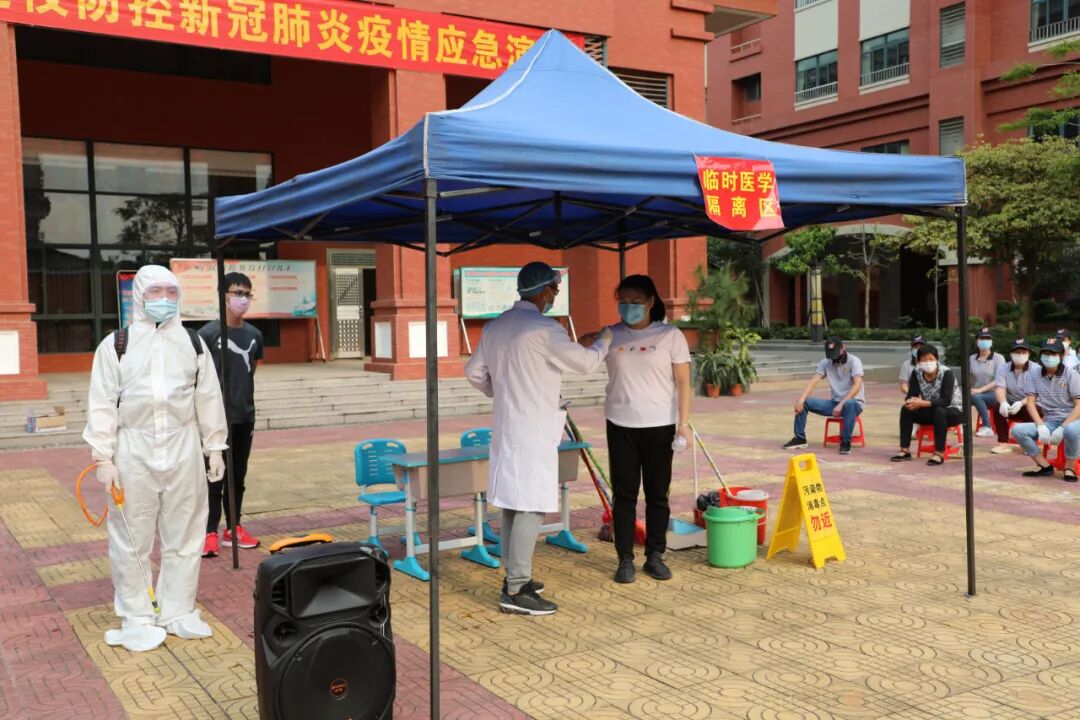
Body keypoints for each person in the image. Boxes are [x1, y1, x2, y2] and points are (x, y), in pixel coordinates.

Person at [83, 265, 228, 652]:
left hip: (183, 447)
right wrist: (103, 457)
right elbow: (101, 402)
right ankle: (137, 614)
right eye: (155, 291)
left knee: (186, 533)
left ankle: (177, 609)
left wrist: (214, 445)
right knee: (131, 536)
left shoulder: (193, 343)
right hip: (133, 450)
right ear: (139, 295)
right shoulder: (117, 345)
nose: (164, 298)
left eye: (171, 291)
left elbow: (207, 396)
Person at [464, 262, 612, 616]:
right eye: (554, 290)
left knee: (513, 503)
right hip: (532, 431)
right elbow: (585, 364)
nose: (555, 296)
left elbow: (473, 372)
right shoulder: (545, 329)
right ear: (544, 290)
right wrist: (604, 341)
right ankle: (516, 590)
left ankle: (515, 578)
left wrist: (499, 389)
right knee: (531, 505)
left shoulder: (496, 326)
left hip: (508, 426)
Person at [594, 275, 691, 585]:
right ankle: (625, 559)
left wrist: (684, 425)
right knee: (624, 495)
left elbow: (684, 382)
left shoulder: (670, 335)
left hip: (659, 425)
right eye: (623, 301)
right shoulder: (611, 334)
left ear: (650, 302)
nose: (629, 307)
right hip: (620, 424)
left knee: (657, 495)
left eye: (635, 302)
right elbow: (582, 349)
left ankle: (655, 555)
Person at [199, 272, 265, 557]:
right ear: (223, 296)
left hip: (244, 416)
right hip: (214, 420)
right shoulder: (208, 334)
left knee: (237, 476)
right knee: (214, 476)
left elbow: (252, 370)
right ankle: (209, 532)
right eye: (237, 293)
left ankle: (233, 528)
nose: (243, 299)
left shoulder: (254, 335)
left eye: (247, 294)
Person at [1011, 337, 1080, 481]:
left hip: (1073, 419)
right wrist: (1040, 425)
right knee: (1018, 430)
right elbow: (1030, 403)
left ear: (1061, 355)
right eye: (1046, 353)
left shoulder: (1071, 374)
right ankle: (1044, 465)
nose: (1049, 357)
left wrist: (1063, 427)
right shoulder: (1034, 374)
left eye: (1053, 354)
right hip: (1050, 420)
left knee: (1071, 430)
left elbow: (1079, 405)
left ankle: (1069, 467)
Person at [783, 337, 864, 455]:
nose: (833, 357)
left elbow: (857, 386)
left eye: (835, 353)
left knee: (849, 404)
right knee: (804, 401)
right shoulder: (826, 362)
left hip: (854, 403)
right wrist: (801, 399)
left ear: (843, 348)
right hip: (834, 403)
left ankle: (846, 442)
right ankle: (800, 438)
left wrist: (841, 405)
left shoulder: (854, 361)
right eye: (830, 354)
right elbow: (813, 382)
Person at [891, 346, 964, 466]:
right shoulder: (917, 372)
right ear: (918, 362)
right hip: (931, 409)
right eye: (924, 359)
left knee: (939, 411)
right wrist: (911, 402)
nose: (927, 362)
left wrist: (922, 403)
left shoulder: (946, 373)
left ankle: (939, 453)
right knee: (906, 409)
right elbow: (912, 394)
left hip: (953, 411)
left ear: (937, 359)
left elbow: (945, 401)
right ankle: (905, 450)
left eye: (931, 359)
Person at [990, 338, 1042, 454]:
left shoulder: (1036, 369)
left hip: (1031, 403)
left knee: (1030, 407)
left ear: (1028, 354)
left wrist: (1021, 403)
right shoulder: (1003, 368)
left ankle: (1030, 444)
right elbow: (1000, 388)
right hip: (1011, 403)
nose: (1020, 355)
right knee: (996, 406)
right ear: (1011, 354)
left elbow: (1036, 392)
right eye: (1017, 352)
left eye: (1024, 352)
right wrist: (1003, 402)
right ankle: (1003, 443)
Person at [970, 326, 1006, 438]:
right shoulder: (971, 359)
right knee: (963, 397)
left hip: (995, 394)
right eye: (982, 338)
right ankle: (963, 425)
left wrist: (980, 390)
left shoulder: (999, 358)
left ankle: (987, 427)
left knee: (976, 397)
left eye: (988, 338)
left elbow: (999, 380)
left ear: (991, 341)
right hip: (976, 393)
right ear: (977, 341)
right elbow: (968, 376)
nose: (985, 341)